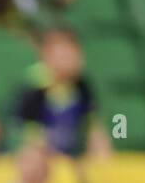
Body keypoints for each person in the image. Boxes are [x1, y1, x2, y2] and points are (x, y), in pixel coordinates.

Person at [13, 26, 108, 158]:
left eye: (74, 53)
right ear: (46, 56)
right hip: (39, 161)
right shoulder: (33, 86)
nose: (72, 59)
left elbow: (93, 127)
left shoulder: (82, 86)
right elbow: (25, 134)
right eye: (64, 55)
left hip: (71, 158)